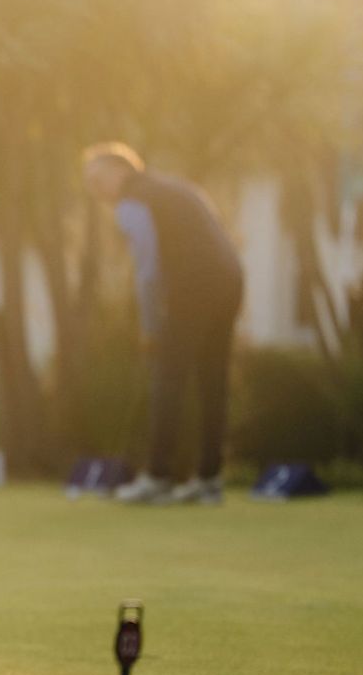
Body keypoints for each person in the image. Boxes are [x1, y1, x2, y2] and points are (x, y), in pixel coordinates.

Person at [81, 142, 244, 505]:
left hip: (195, 285)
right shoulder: (176, 188)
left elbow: (147, 269)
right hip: (230, 280)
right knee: (212, 381)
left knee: (168, 378)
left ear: (121, 170)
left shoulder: (131, 202)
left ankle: (157, 477)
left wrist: (150, 327)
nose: (95, 191)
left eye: (97, 180)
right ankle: (209, 480)